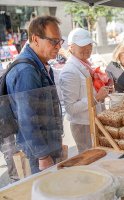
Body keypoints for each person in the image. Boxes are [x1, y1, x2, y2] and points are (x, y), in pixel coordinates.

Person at [5, 16, 64, 174]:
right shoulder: (27, 71)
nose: (58, 46)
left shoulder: (40, 64)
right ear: (35, 39)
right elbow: (27, 119)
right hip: (39, 153)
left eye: (60, 41)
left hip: (46, 146)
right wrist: (43, 156)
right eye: (53, 41)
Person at [59, 28, 109, 153]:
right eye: (82, 45)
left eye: (89, 44)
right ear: (71, 47)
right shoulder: (69, 71)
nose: (87, 48)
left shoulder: (87, 65)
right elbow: (70, 108)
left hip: (94, 121)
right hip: (83, 125)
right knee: (90, 159)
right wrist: (97, 97)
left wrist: (105, 89)